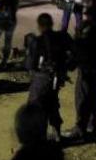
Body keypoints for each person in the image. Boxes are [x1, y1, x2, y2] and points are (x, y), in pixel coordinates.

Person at [63, 6, 96, 140]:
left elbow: (79, 50)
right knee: (95, 97)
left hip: (86, 70)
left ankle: (80, 128)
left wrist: (70, 63)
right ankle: (93, 124)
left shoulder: (88, 31)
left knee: (82, 99)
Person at [25, 13, 74, 141]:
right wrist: (66, 67)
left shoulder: (38, 41)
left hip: (41, 79)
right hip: (57, 78)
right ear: (51, 24)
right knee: (52, 103)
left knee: (36, 107)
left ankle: (40, 139)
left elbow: (30, 65)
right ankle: (57, 134)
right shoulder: (62, 37)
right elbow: (75, 52)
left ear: (40, 26)